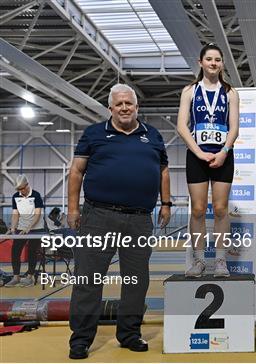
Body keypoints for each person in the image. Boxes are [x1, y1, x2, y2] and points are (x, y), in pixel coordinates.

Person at [67, 83, 171, 359]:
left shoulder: (154, 135)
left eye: (129, 103)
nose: (124, 108)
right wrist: (72, 209)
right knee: (88, 278)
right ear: (110, 108)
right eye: (119, 104)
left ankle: (129, 334)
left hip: (139, 219)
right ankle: (80, 340)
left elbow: (163, 171)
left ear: (137, 107)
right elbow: (76, 172)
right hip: (97, 216)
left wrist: (167, 203)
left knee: (137, 280)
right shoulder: (94, 134)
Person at [176, 44, 239, 278]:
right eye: (209, 59)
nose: (213, 63)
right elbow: (182, 126)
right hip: (196, 155)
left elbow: (234, 127)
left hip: (223, 154)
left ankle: (221, 260)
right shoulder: (189, 91)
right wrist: (198, 152)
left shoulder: (230, 92)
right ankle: (200, 260)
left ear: (222, 64)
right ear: (201, 62)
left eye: (218, 60)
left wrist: (224, 151)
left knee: (221, 209)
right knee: (199, 209)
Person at [4, 174, 46, 287]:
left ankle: (29, 277)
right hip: (21, 228)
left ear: (27, 185)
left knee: (32, 251)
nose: (21, 191)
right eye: (18, 189)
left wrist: (28, 228)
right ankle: (16, 277)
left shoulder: (36, 195)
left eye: (22, 188)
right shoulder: (15, 196)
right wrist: (13, 228)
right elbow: (15, 214)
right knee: (15, 251)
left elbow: (37, 215)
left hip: (36, 228)